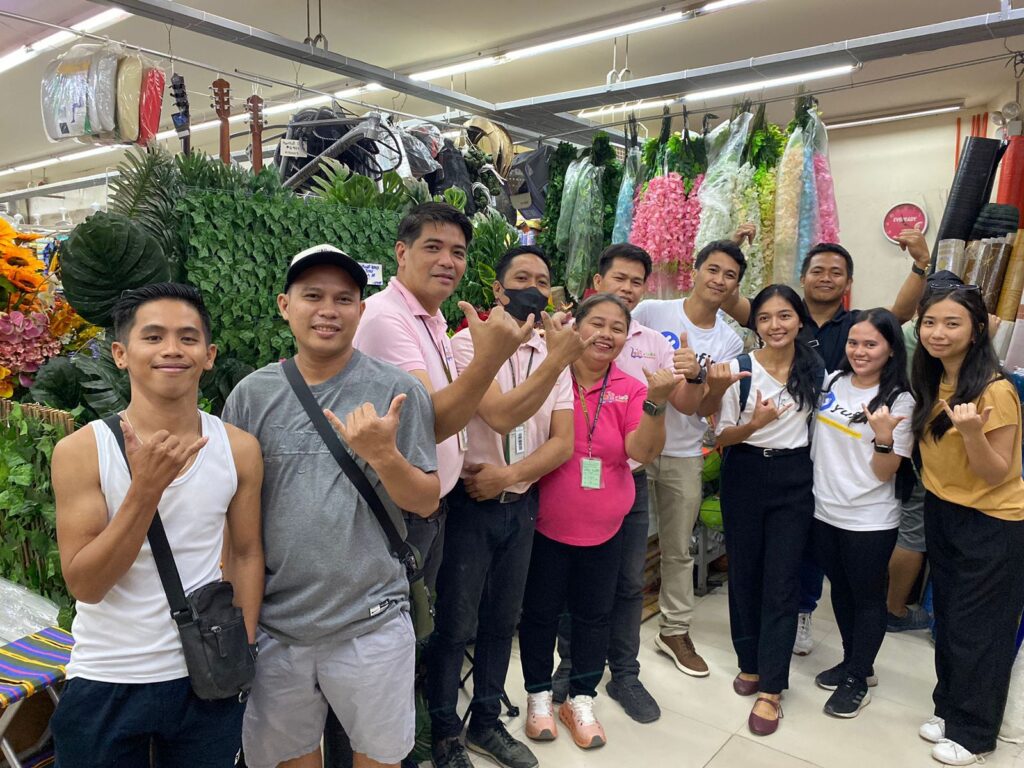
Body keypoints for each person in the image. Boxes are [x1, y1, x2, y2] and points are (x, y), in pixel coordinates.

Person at [222, 245, 441, 768]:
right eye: (312, 296)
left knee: (379, 758)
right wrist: (241, 625)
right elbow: (235, 522)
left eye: (345, 298)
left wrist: (385, 457)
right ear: (284, 304)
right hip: (277, 628)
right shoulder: (251, 397)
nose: (328, 310)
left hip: (373, 621)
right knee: (289, 758)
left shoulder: (398, 391)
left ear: (361, 311)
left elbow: (426, 501)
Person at [50, 283, 264, 767]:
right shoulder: (83, 452)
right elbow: (86, 584)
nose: (172, 349)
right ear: (121, 354)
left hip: (206, 677)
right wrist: (144, 489)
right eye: (153, 337)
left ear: (208, 356)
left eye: (188, 338)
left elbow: (248, 552)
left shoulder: (238, 448)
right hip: (108, 677)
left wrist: (242, 647)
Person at [724, 226, 931, 656]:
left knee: (823, 564)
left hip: (844, 468)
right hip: (802, 463)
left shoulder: (856, 326)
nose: (826, 277)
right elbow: (731, 299)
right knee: (789, 556)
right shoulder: (781, 317)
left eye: (836, 272)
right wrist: (735, 249)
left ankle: (809, 620)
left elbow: (898, 316)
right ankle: (781, 628)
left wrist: (919, 264)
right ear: (803, 278)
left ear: (848, 283)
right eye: (817, 270)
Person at [425, 245, 582, 768]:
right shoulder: (466, 345)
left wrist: (509, 478)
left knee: (502, 620)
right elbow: (497, 415)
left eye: (542, 279)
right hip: (469, 505)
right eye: (522, 278)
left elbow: (562, 441)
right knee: (455, 623)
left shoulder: (552, 350)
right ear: (498, 289)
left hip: (520, 502)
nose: (533, 288)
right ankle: (446, 731)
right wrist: (560, 358)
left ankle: (486, 723)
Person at [551, 243, 703, 723]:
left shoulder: (654, 341)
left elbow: (682, 404)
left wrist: (695, 377)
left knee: (626, 583)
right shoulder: (575, 335)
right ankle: (572, 670)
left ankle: (626, 673)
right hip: (567, 476)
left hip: (627, 478)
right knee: (575, 582)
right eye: (620, 278)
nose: (628, 289)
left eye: (637, 282)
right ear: (598, 283)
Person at [519, 293, 675, 750]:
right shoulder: (549, 379)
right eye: (597, 324)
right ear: (575, 327)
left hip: (607, 527)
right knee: (540, 615)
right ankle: (539, 696)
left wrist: (657, 404)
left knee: (593, 617)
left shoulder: (632, 387)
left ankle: (581, 699)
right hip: (546, 523)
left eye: (617, 327)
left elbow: (641, 452)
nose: (606, 335)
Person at [353, 202, 530, 590]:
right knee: (407, 631)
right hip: (401, 509)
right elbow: (429, 423)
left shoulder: (431, 317)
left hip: (432, 505)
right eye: (433, 247)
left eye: (458, 252)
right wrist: (492, 358)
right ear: (402, 253)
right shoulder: (387, 318)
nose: (447, 261)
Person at [910, 285, 1024, 766]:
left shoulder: (994, 389)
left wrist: (974, 433)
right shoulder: (933, 379)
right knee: (951, 618)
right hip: (944, 511)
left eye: (952, 323)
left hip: (993, 521)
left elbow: (997, 471)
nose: (938, 333)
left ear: (977, 330)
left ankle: (976, 733)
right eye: (930, 322)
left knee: (983, 629)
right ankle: (950, 709)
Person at [631, 239, 748, 679]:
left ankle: (674, 629)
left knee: (679, 548)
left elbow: (702, 409)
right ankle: (608, 626)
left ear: (736, 286)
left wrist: (702, 379)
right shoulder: (651, 312)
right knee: (620, 542)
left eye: (730, 275)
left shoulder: (729, 340)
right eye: (713, 269)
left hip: (683, 451)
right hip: (633, 444)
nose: (719, 280)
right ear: (695, 271)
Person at [714, 284, 824, 737]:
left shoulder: (817, 372)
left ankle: (772, 689)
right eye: (764, 318)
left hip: (794, 479)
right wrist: (753, 425)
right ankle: (751, 663)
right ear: (753, 324)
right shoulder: (739, 370)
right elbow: (720, 438)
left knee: (781, 580)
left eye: (784, 316)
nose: (774, 325)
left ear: (799, 320)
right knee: (744, 573)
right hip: (743, 474)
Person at [810, 308, 914, 718]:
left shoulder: (899, 399)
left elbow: (885, 471)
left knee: (868, 597)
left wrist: (885, 438)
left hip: (868, 518)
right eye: (854, 342)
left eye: (871, 344)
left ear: (890, 349)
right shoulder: (833, 381)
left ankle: (858, 678)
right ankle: (856, 662)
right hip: (824, 508)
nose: (859, 351)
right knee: (841, 588)